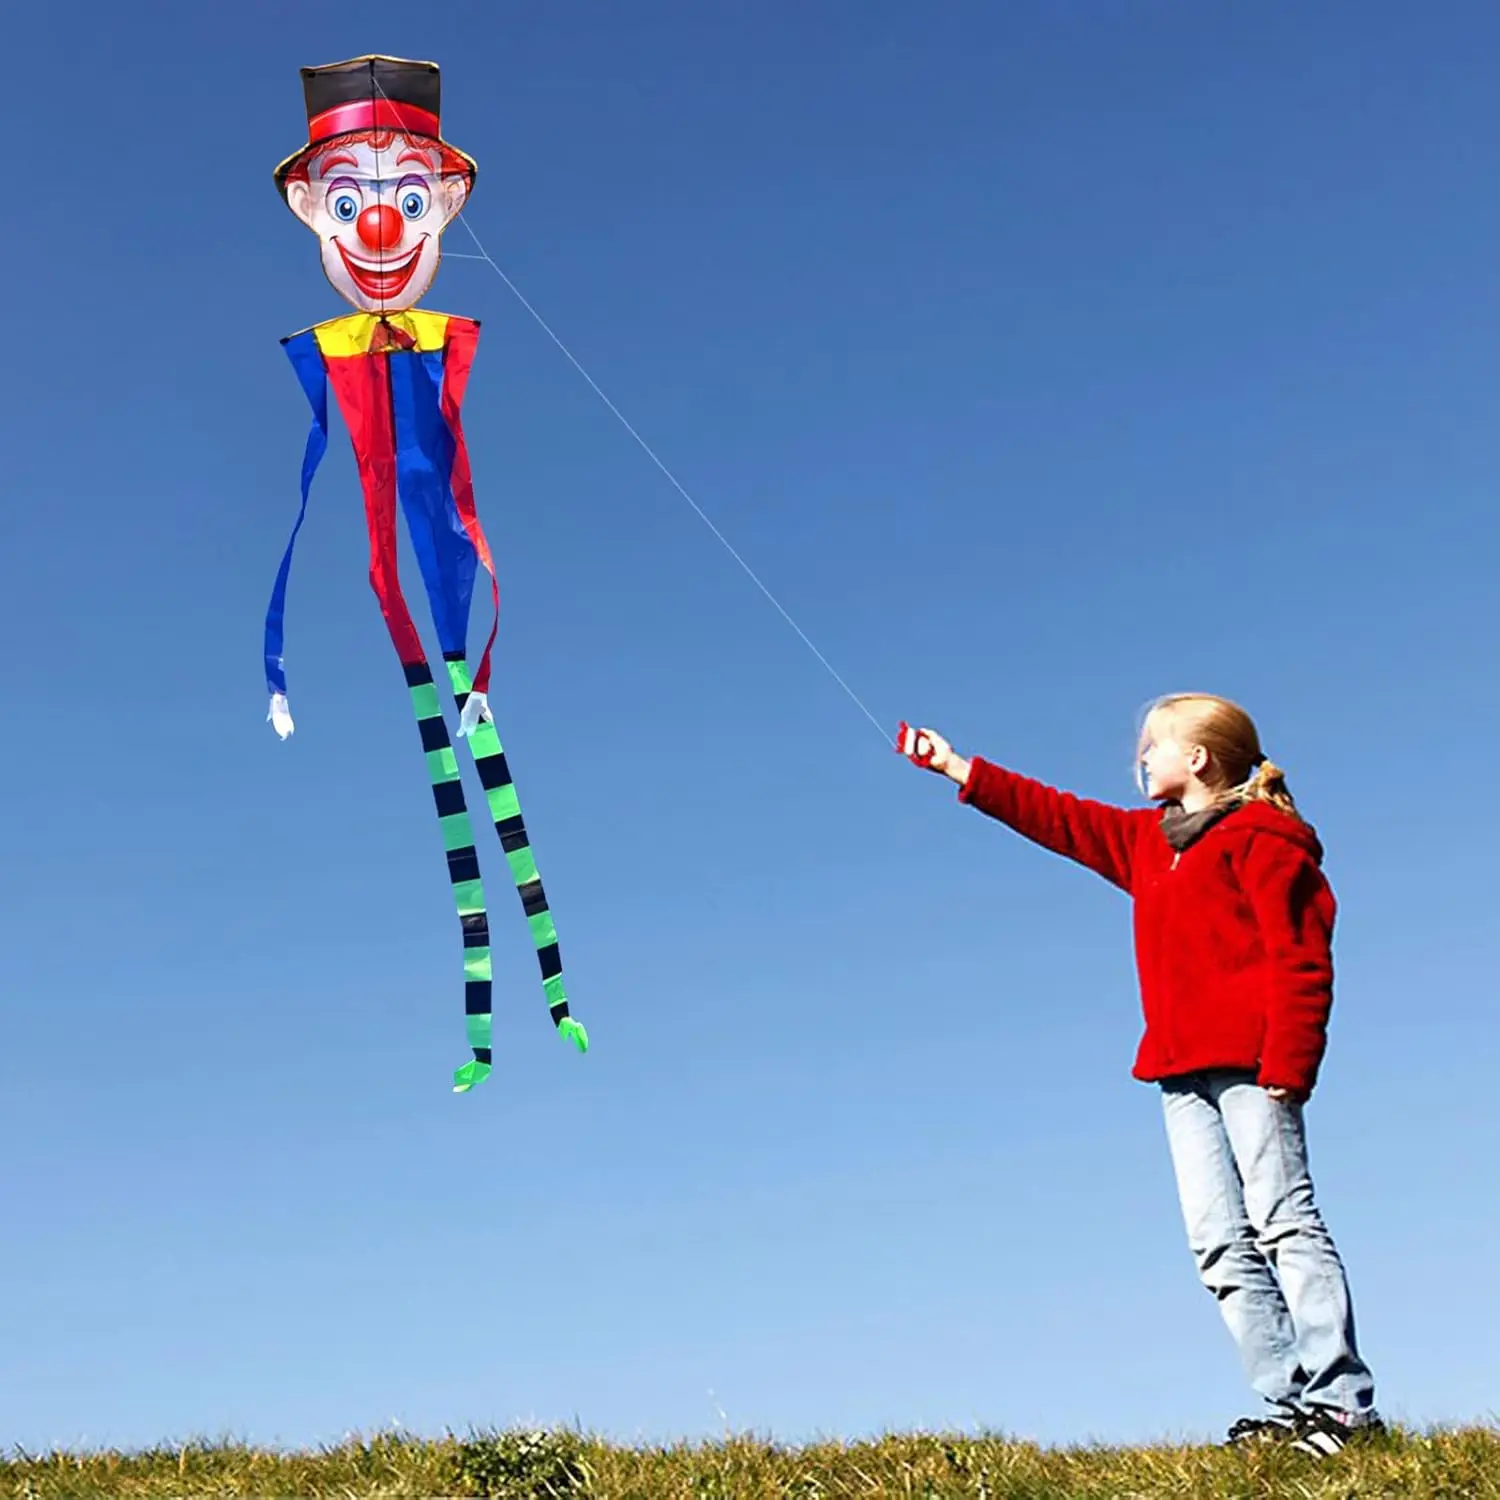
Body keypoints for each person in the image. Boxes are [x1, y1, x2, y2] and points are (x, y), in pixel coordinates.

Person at [899, 694, 1383, 1457]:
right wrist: (957, 766)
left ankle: (1343, 1407)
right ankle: (1292, 1408)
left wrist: (1293, 1059)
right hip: (1178, 1071)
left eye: (1152, 745)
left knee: (1283, 1221)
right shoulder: (1143, 841)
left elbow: (1303, 956)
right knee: (1218, 1244)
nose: (1140, 758)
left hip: (1257, 1063)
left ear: (1197, 758)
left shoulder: (1267, 838)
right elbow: (1053, 815)